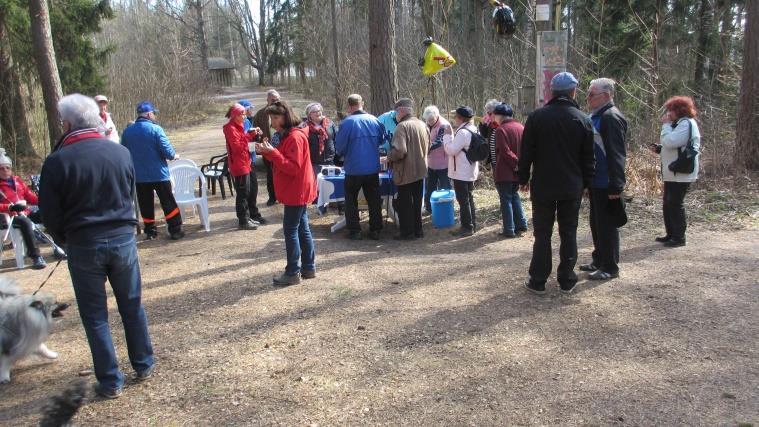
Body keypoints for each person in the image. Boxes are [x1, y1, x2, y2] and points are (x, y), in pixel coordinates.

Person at [39, 94, 154, 399]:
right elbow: (130, 195)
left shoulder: (56, 160)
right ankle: (143, 363)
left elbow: (50, 212)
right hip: (121, 237)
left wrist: (65, 239)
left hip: (84, 241)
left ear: (67, 123)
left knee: (95, 316)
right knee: (132, 305)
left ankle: (111, 381)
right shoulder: (119, 152)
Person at [518, 72, 595, 295]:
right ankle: (567, 279)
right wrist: (587, 184)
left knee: (542, 233)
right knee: (568, 232)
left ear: (552, 92)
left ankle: (538, 279)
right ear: (573, 92)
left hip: (543, 185)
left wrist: (523, 178)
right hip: (572, 186)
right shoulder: (583, 119)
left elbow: (526, 152)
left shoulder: (537, 117)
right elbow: (589, 157)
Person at [256, 100, 317, 286]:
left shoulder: (294, 137)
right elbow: (283, 157)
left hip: (296, 189)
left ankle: (293, 272)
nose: (272, 122)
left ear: (286, 117)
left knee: (291, 230)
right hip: (296, 188)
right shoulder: (287, 135)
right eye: (271, 118)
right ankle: (308, 267)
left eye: (275, 118)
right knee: (301, 228)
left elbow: (292, 167)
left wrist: (273, 153)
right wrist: (267, 152)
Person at [580, 78, 628, 279]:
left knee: (607, 225)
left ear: (606, 95)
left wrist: (616, 185)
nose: (588, 98)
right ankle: (599, 259)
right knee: (596, 223)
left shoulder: (610, 117)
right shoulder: (597, 115)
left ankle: (610, 267)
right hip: (595, 180)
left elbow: (617, 153)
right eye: (588, 93)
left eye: (592, 94)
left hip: (607, 181)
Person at [121, 101, 184, 240]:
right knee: (167, 201)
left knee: (145, 203)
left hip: (139, 175)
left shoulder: (127, 132)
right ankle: (175, 229)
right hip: (159, 173)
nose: (154, 116)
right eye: (153, 113)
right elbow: (167, 151)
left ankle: (150, 231)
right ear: (149, 114)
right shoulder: (156, 129)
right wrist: (174, 156)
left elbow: (123, 152)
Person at [649, 96, 700, 247]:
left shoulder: (686, 123)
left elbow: (671, 142)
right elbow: (671, 145)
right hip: (673, 172)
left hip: (682, 172)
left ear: (679, 110)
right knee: (668, 203)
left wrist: (665, 125)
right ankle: (671, 234)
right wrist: (659, 148)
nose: (668, 113)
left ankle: (679, 237)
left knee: (675, 203)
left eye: (671, 110)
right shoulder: (678, 124)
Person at [334, 94, 385, 240]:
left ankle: (355, 230)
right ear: (362, 103)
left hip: (354, 169)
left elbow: (340, 147)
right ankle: (375, 229)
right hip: (372, 168)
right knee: (374, 199)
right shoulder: (374, 120)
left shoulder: (346, 123)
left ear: (349, 106)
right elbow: (381, 141)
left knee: (351, 199)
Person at [385, 98, 430, 240]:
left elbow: (400, 151)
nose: (395, 115)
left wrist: (388, 157)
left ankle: (407, 233)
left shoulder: (402, 126)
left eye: (396, 112)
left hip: (405, 171)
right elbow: (427, 147)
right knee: (417, 202)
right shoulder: (423, 124)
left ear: (401, 110)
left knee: (405, 203)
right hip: (421, 170)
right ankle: (418, 230)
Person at [223, 103, 266, 230]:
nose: (245, 115)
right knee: (242, 193)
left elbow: (243, 141)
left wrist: (252, 134)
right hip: (239, 164)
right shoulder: (230, 128)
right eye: (242, 113)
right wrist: (250, 136)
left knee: (248, 191)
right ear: (235, 115)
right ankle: (243, 220)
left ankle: (248, 217)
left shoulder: (240, 125)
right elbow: (237, 147)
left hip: (245, 161)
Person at [0, 150, 46, 269]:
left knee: (47, 214)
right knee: (25, 222)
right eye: (1, 168)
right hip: (8, 218)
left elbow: (30, 197)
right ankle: (36, 257)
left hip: (25, 212)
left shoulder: (17, 181)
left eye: (7, 168)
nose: (5, 171)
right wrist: (9, 207)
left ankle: (61, 245)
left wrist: (46, 201)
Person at [491, 103, 528, 238]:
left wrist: (516, 163)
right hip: (517, 171)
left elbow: (505, 151)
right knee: (514, 196)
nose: (493, 117)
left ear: (499, 116)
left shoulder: (501, 130)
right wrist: (521, 165)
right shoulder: (521, 127)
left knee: (505, 200)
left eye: (494, 115)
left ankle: (509, 229)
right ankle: (522, 224)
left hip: (505, 171)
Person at [444, 106, 480, 237]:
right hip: (469, 169)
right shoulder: (474, 129)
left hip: (461, 171)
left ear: (460, 118)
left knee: (463, 200)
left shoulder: (463, 132)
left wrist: (447, 136)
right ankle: (471, 224)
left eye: (456, 117)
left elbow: (451, 150)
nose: (454, 119)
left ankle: (467, 227)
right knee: (468, 198)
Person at [422, 105, 452, 215]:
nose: (429, 122)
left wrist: (425, 149)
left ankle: (448, 208)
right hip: (431, 163)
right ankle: (429, 208)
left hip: (443, 163)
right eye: (427, 120)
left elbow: (439, 141)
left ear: (437, 116)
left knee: (445, 186)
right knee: (430, 187)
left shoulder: (444, 125)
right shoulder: (427, 125)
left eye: (431, 120)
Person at [253, 89, 281, 205]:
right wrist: (259, 140)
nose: (276, 102)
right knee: (270, 174)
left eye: (278, 99)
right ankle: (272, 197)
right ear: (268, 100)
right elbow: (254, 131)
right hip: (268, 148)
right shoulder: (260, 114)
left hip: (283, 147)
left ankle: (282, 196)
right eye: (273, 100)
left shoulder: (284, 111)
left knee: (283, 173)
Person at [302, 102, 337, 176]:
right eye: (314, 112)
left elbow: (336, 140)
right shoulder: (304, 127)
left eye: (319, 110)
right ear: (309, 115)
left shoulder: (330, 124)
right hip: (314, 164)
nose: (318, 113)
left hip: (330, 162)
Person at [479, 99, 501, 166]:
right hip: (493, 161)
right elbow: (485, 135)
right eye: (487, 113)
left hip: (501, 161)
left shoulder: (502, 124)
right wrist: (482, 125)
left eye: (490, 113)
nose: (488, 115)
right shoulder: (491, 124)